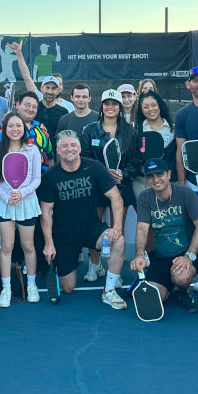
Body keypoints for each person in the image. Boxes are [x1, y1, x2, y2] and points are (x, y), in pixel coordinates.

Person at [38, 131, 126, 310]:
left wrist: (117, 227)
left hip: (91, 228)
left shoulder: (94, 167)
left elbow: (116, 198)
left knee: (119, 240)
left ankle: (108, 291)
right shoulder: (50, 176)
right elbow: (46, 212)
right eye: (64, 146)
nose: (69, 149)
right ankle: (60, 264)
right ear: (58, 150)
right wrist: (49, 243)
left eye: (72, 145)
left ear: (78, 148)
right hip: (64, 236)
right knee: (68, 288)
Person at [130, 159, 198, 315]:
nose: (156, 180)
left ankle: (180, 290)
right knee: (157, 297)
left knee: (181, 278)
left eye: (160, 174)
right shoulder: (145, 197)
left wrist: (189, 256)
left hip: (186, 254)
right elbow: (142, 229)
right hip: (160, 257)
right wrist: (139, 255)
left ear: (169, 174)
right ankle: (170, 289)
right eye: (151, 176)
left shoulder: (185, 193)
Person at [80, 88, 139, 283]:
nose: (110, 107)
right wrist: (102, 175)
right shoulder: (90, 130)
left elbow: (135, 160)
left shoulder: (130, 131)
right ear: (102, 106)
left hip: (120, 188)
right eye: (107, 103)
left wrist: (124, 174)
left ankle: (115, 272)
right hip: (96, 187)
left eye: (114, 104)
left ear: (120, 107)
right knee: (93, 226)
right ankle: (95, 265)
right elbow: (85, 159)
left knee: (117, 230)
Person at [0, 113, 42, 307]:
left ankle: (32, 285)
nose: (15, 129)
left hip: (27, 203)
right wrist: (7, 196)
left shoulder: (33, 150)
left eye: (18, 125)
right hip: (5, 204)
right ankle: (6, 288)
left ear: (23, 128)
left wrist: (22, 193)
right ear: (4, 129)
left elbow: (37, 179)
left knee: (28, 246)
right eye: (10, 126)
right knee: (6, 247)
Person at [131, 91, 174, 201]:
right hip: (142, 183)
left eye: (154, 105)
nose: (151, 109)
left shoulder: (173, 129)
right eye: (146, 107)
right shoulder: (135, 129)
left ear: (160, 105)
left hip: (168, 183)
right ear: (141, 109)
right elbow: (131, 155)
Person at [0, 90, 54, 169]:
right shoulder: (5, 129)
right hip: (14, 178)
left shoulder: (42, 128)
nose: (31, 109)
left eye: (34, 107)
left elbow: (50, 156)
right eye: (27, 105)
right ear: (18, 105)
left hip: (42, 178)